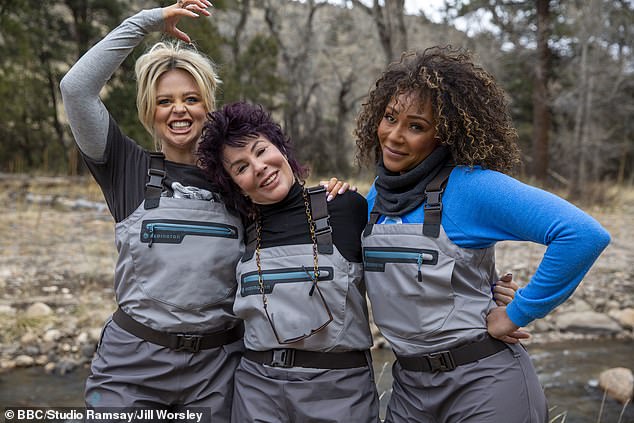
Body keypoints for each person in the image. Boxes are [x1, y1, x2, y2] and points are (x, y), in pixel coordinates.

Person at [196, 101, 521, 422]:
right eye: (240, 167)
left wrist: (489, 293)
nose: (258, 167)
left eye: (260, 150)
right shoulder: (237, 225)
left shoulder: (346, 207)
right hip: (256, 391)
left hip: (340, 393)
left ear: (280, 148)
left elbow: (402, 266)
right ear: (233, 185)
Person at [354, 45, 611, 422]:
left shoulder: (471, 188)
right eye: (390, 117)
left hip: (485, 384)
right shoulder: (376, 195)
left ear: (445, 135)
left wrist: (518, 311)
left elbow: (582, 234)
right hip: (410, 388)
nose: (393, 136)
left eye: (416, 126)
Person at [59, 1, 246, 418]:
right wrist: (146, 23)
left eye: (191, 98)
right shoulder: (124, 166)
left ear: (208, 107)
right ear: (150, 111)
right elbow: (75, 88)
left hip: (218, 372)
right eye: (165, 101)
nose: (178, 109)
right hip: (130, 369)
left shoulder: (240, 178)